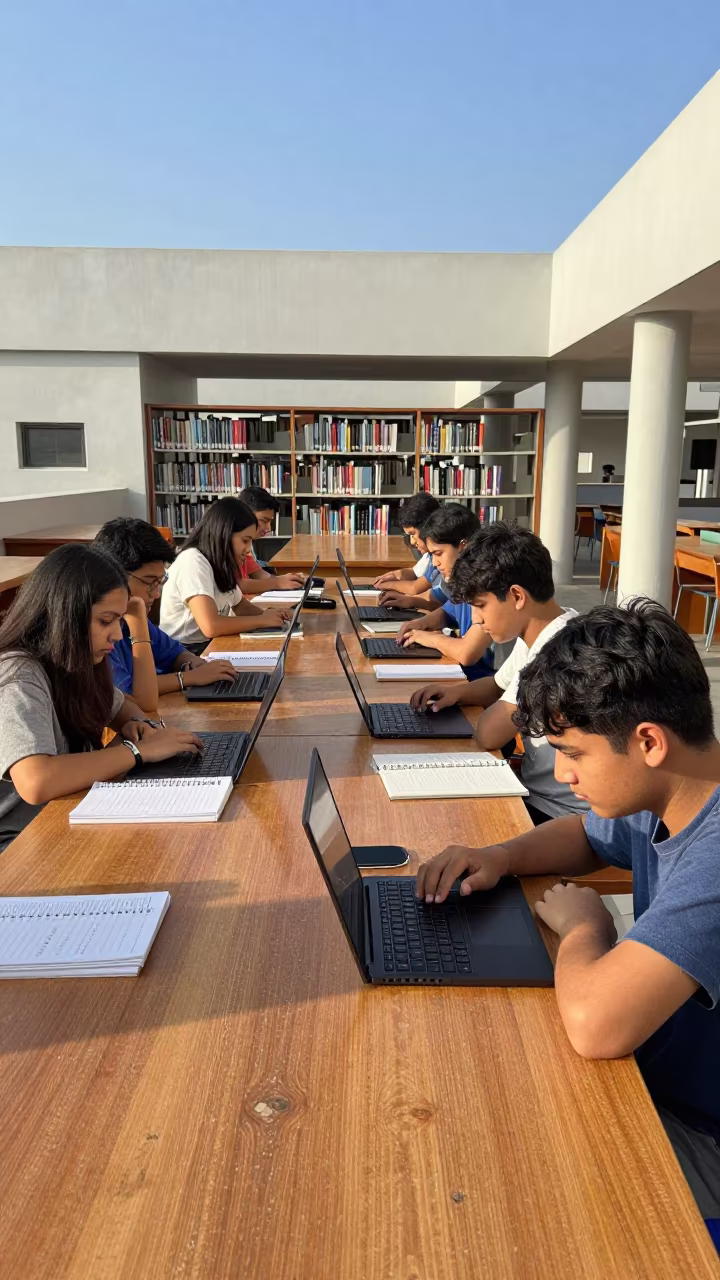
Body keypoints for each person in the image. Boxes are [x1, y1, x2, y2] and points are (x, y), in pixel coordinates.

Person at [416, 601, 720, 1222]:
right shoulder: (670, 788)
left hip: (700, 1129)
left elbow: (596, 1023)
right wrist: (498, 855)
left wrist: (586, 930)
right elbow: (585, 838)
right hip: (662, 1076)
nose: (561, 773)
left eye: (573, 753)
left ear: (648, 741)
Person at [0, 545, 202, 852]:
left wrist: (138, 724)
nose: (117, 636)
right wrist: (137, 751)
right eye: (105, 621)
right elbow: (36, 781)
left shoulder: (79, 661)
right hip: (19, 845)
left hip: (67, 815)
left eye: (119, 622)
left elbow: (129, 707)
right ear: (63, 616)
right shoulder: (18, 673)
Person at [410, 522, 587, 822]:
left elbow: (490, 734)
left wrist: (504, 704)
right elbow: (495, 685)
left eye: (480, 606)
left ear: (517, 596)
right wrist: (457, 692)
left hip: (559, 814)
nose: (476, 619)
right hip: (540, 793)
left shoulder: (558, 654)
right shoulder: (550, 628)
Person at [94, 518, 239, 710]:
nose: (156, 593)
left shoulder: (135, 618)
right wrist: (188, 678)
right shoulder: (98, 632)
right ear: (114, 574)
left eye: (160, 582)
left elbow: (175, 653)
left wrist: (195, 663)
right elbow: (131, 695)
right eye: (149, 582)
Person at [160, 498, 292, 647]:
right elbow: (211, 626)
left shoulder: (221, 561)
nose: (248, 549)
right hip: (185, 650)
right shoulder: (193, 561)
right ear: (224, 534)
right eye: (245, 541)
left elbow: (241, 606)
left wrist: (271, 615)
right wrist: (262, 620)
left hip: (208, 644)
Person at [393, 505, 493, 678]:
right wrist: (420, 624)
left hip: (480, 681)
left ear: (463, 546)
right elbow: (448, 612)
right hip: (463, 674)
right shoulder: (463, 580)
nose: (436, 563)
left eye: (439, 554)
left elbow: (467, 653)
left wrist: (428, 638)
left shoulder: (489, 584)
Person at [236, 486, 306, 594]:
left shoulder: (246, 546)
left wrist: (285, 579)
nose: (268, 528)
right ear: (246, 514)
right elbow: (240, 585)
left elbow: (259, 574)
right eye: (264, 521)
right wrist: (277, 583)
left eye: (270, 522)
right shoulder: (231, 543)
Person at [373, 494, 442, 599]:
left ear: (427, 528)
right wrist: (393, 576)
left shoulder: (441, 557)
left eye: (413, 534)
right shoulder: (430, 556)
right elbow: (415, 573)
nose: (412, 542)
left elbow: (416, 588)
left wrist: (387, 586)